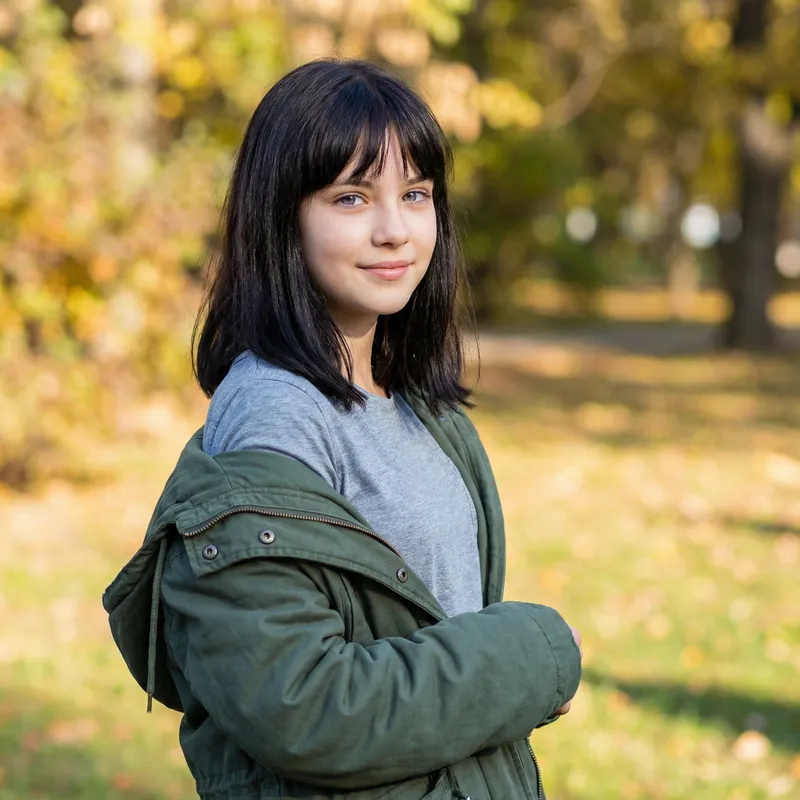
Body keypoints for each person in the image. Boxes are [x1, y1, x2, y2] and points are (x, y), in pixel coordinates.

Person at [103, 59, 582, 800]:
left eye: (415, 194)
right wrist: (531, 658)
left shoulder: (416, 405)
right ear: (281, 215)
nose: (395, 230)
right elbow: (302, 706)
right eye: (351, 198)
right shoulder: (276, 417)